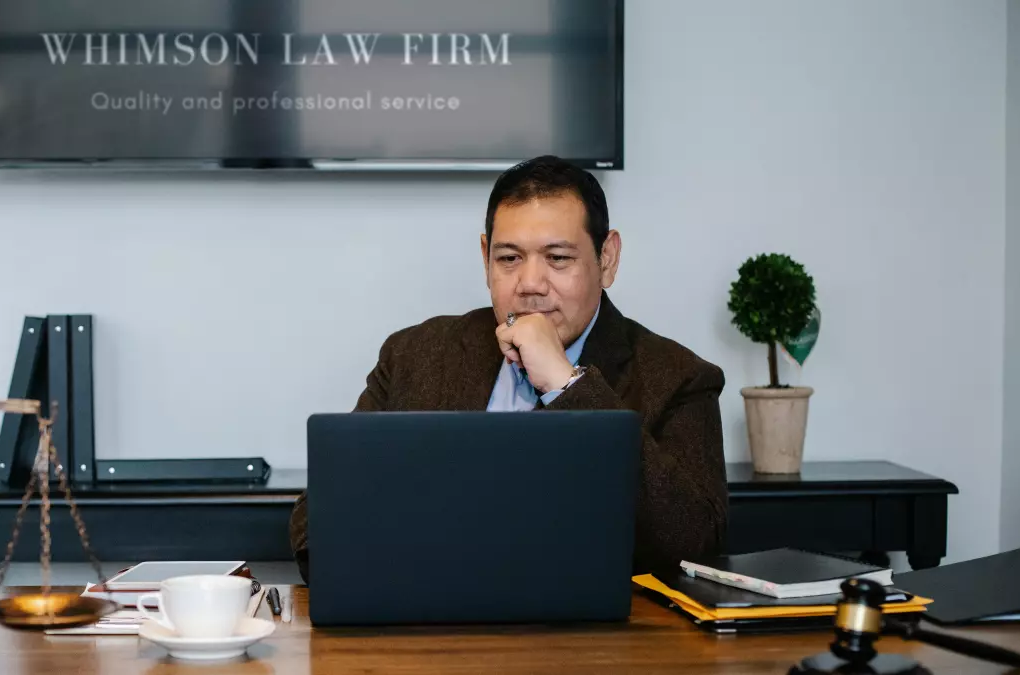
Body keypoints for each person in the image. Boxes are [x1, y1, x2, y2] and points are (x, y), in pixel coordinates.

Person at [289, 155, 727, 582]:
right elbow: (317, 526)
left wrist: (565, 386)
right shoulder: (413, 354)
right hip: (432, 630)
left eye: (558, 258)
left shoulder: (677, 377)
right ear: (485, 257)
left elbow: (694, 546)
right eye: (509, 259)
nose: (531, 285)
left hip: (595, 645)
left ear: (607, 258)